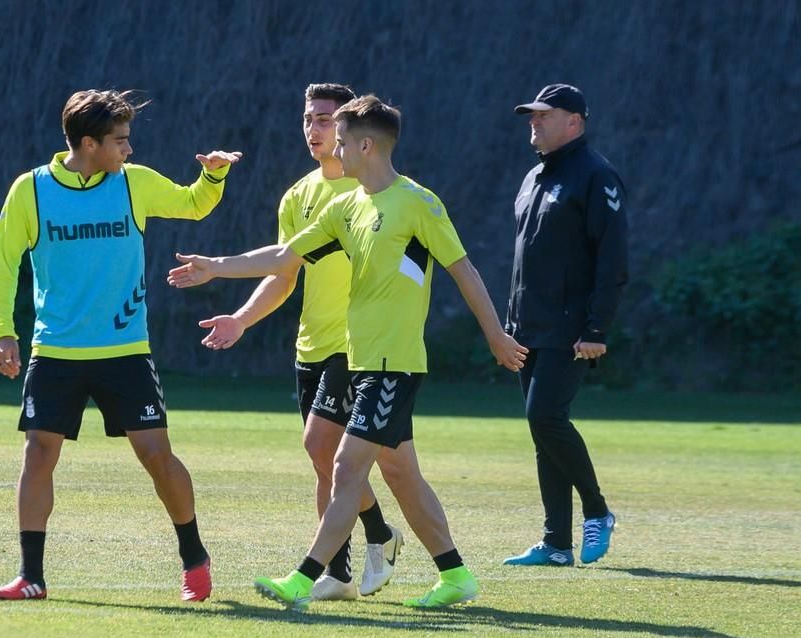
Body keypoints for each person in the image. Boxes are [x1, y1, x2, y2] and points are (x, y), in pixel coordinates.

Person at [168, 95, 527, 610]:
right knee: (401, 474)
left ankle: (306, 577)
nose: (333, 148)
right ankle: (455, 575)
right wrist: (216, 265)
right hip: (361, 362)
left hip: (394, 364)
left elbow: (463, 271)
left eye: (341, 140)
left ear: (366, 145)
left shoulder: (417, 203)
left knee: (345, 466)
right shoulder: (346, 205)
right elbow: (286, 255)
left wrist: (495, 335)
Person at [0, 88, 241, 601]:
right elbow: (3, 261)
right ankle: (30, 575)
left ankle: (194, 558)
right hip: (54, 352)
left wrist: (213, 174)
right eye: (120, 140)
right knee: (38, 454)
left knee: (156, 456)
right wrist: (3, 332)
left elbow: (192, 204)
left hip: (125, 352)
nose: (129, 149)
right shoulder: (31, 190)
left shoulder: (134, 184)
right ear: (88, 143)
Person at [193, 83, 402, 602]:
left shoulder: (371, 192)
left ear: (352, 127)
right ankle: (343, 569)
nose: (315, 129)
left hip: (355, 346)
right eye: (309, 118)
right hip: (310, 345)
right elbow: (285, 274)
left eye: (326, 120)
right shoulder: (299, 195)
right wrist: (242, 319)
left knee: (320, 445)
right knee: (323, 462)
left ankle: (371, 538)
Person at [502, 84, 628, 567]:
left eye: (544, 115)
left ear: (575, 121)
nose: (533, 122)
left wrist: (597, 329)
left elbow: (612, 259)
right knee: (542, 429)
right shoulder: (534, 176)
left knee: (545, 418)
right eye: (531, 115)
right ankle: (556, 542)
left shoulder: (597, 176)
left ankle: (597, 511)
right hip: (527, 325)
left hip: (571, 328)